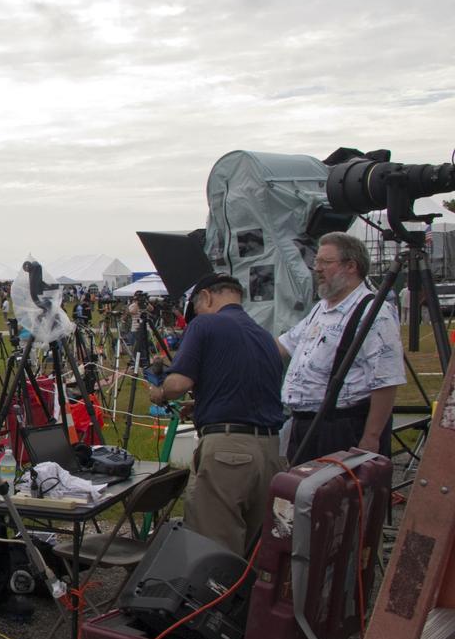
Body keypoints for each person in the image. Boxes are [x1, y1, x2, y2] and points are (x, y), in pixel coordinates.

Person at [147, 274, 285, 556]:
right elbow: (251, 390)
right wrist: (203, 406)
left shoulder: (205, 323)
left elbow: (179, 384)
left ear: (207, 297)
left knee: (212, 547)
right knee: (256, 548)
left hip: (228, 453)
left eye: (196, 308)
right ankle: (246, 600)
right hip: (270, 452)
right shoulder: (265, 337)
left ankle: (217, 601)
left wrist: (159, 392)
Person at [278, 232, 405, 463]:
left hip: (342, 429)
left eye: (325, 262)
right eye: (316, 262)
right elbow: (285, 344)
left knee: (341, 497)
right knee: (305, 496)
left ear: (351, 266)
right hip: (306, 427)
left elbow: (387, 379)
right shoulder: (321, 309)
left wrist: (371, 437)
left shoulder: (374, 313)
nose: (317, 269)